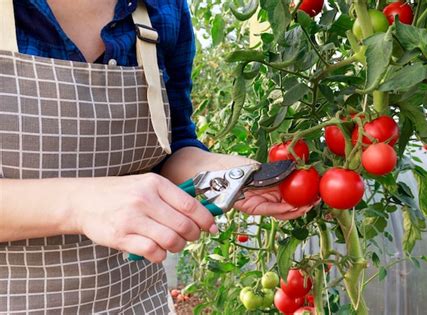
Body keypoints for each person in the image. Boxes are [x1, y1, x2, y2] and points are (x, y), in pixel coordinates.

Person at [0, 0, 313, 313]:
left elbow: (173, 146)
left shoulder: (163, 10)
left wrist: (221, 172)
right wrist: (79, 203)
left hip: (135, 302)